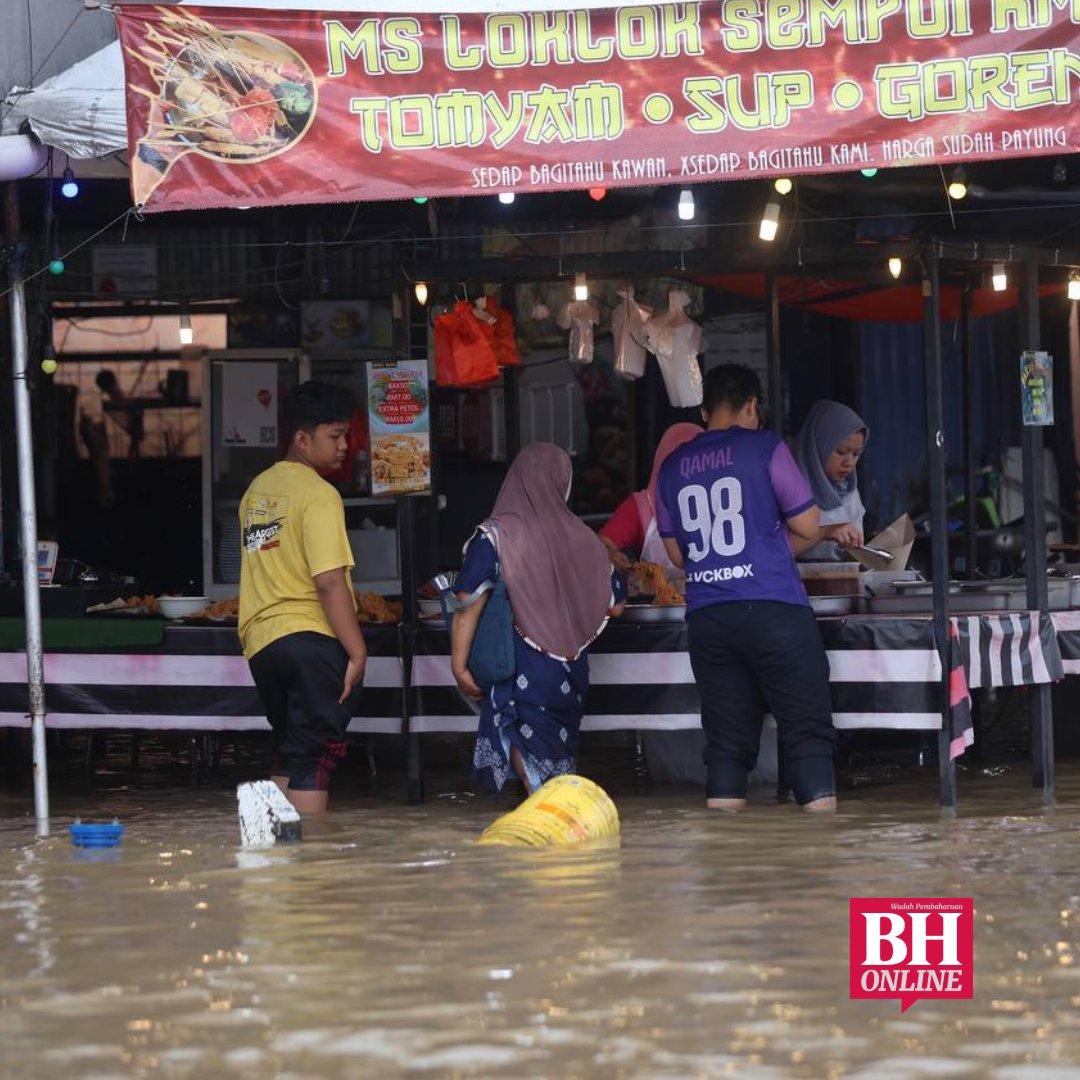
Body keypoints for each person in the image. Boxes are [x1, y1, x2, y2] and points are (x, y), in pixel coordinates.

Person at [656, 364, 836, 812]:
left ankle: (723, 859)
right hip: (775, 610)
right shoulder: (766, 447)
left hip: (709, 620)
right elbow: (808, 523)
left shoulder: (672, 467)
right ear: (752, 405)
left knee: (726, 746)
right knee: (807, 735)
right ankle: (824, 851)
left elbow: (679, 557)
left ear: (704, 410)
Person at [451, 442, 625, 793]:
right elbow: (615, 605)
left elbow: (467, 601)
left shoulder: (495, 536)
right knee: (557, 771)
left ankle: (546, 835)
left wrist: (458, 665)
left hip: (520, 665)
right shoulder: (585, 539)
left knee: (539, 784)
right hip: (569, 672)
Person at [238, 381, 367, 814]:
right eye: (335, 436)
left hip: (262, 643)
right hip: (311, 639)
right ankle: (312, 869)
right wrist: (358, 651)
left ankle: (277, 865)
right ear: (302, 439)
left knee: (291, 749)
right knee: (314, 757)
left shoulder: (256, 490)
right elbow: (329, 582)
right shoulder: (319, 494)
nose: (345, 446)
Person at [599, 422, 702, 575]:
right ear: (663, 465)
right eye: (679, 466)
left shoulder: (722, 501)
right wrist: (612, 556)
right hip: (658, 598)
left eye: (696, 466)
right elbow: (602, 544)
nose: (687, 474)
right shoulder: (641, 506)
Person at [791, 400, 869, 561]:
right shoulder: (788, 487)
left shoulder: (849, 491)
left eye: (856, 454)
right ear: (818, 445)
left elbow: (852, 552)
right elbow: (774, 550)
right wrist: (825, 532)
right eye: (841, 452)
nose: (849, 463)